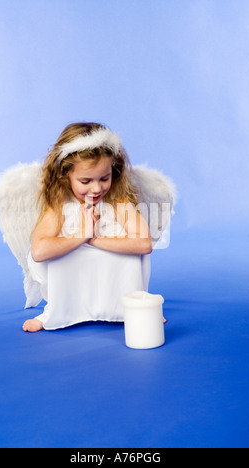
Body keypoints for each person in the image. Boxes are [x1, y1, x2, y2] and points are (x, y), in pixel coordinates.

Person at [22, 122, 153, 332]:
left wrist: (93, 238)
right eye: (85, 181)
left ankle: (135, 308)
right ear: (66, 175)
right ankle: (56, 312)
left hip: (112, 267)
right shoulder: (60, 205)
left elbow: (144, 243)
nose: (96, 188)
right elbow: (38, 252)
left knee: (128, 253)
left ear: (114, 170)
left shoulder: (117, 200)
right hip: (73, 269)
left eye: (104, 178)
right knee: (62, 255)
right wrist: (81, 235)